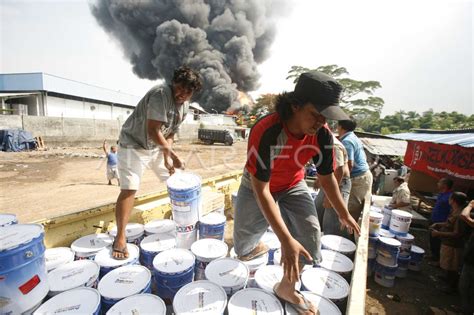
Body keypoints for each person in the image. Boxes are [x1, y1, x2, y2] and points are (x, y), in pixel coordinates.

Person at [233, 71, 360, 314]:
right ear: (295, 106)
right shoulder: (266, 130)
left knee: (310, 237)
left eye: (326, 118)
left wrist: (343, 213)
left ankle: (287, 288)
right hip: (257, 186)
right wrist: (284, 238)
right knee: (243, 247)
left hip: (292, 184)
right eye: (315, 115)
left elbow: (327, 178)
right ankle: (256, 245)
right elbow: (261, 188)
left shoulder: (322, 136)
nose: (321, 123)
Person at [112, 66, 202, 259]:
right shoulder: (161, 94)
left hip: (155, 147)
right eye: (180, 88)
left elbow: (169, 133)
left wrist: (167, 158)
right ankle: (120, 237)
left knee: (177, 182)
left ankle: (182, 220)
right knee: (130, 189)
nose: (182, 94)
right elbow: (153, 130)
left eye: (188, 91)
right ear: (173, 83)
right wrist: (174, 156)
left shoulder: (184, 106)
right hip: (133, 145)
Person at [430, 192, 468, 293]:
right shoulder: (455, 211)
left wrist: (439, 233)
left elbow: (457, 233)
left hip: (454, 245)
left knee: (453, 267)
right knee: (448, 264)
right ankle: (447, 278)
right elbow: (449, 223)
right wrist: (438, 224)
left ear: (453, 200)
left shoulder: (460, 215)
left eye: (450, 198)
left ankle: (451, 287)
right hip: (448, 243)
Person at [337, 119, 373, 222]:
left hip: (358, 179)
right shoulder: (353, 137)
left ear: (340, 127)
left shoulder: (347, 141)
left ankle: (343, 236)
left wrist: (341, 184)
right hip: (362, 176)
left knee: (348, 211)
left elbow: (349, 164)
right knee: (351, 211)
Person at [321, 134, 352, 236]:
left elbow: (339, 171)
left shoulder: (333, 145)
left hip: (339, 184)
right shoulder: (320, 142)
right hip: (328, 181)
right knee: (316, 213)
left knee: (331, 224)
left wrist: (330, 198)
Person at [429, 178, 454, 265]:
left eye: (440, 182)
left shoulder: (450, 196)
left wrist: (446, 224)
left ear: (445, 185)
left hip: (441, 222)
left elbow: (451, 212)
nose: (438, 183)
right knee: (432, 239)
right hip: (434, 219)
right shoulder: (441, 194)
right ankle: (433, 255)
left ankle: (438, 260)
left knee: (439, 241)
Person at [459, 200, 474, 314]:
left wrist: (470, 205)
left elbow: (464, 215)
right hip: (470, 258)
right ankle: (465, 310)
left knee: (466, 286)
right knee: (464, 287)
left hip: (472, 261)